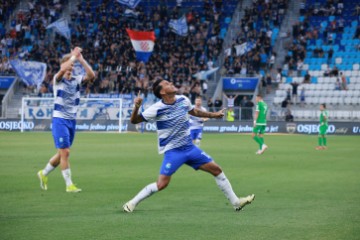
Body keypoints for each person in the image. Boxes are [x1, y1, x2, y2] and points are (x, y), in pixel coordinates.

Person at [123, 79, 255, 212]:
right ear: (162, 92)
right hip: (173, 152)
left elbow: (195, 112)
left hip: (190, 148)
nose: (171, 83)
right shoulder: (157, 109)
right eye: (167, 84)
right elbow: (134, 120)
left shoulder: (183, 99)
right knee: (162, 184)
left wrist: (213, 115)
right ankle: (132, 203)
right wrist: (137, 107)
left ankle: (236, 202)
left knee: (217, 170)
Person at [37, 47, 95, 192]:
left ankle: (43, 173)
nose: (71, 67)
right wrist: (72, 57)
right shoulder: (58, 79)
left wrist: (80, 59)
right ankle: (69, 184)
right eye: (70, 64)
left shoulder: (76, 80)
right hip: (59, 120)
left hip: (71, 121)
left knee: (61, 153)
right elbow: (62, 69)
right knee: (66, 153)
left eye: (73, 65)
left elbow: (92, 75)